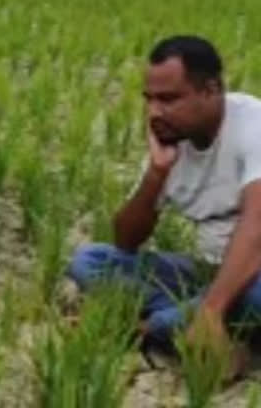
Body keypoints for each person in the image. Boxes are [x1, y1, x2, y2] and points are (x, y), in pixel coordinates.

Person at [68, 36, 261, 372]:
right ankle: (194, 324)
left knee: (256, 296)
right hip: (208, 270)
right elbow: (125, 241)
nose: (155, 112)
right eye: (150, 99)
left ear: (211, 90)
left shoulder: (253, 126)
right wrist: (157, 173)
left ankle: (151, 327)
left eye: (169, 99)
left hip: (255, 273)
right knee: (90, 260)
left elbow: (256, 226)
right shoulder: (172, 138)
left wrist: (212, 308)